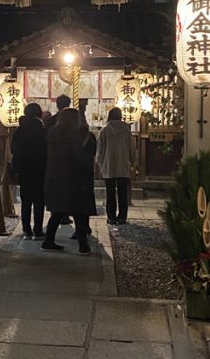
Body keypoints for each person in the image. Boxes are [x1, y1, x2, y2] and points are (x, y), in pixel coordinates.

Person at [42, 107, 94, 255]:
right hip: (72, 179)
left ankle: (48, 241)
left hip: (54, 178)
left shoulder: (52, 133)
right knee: (78, 212)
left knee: (57, 212)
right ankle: (83, 246)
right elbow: (79, 157)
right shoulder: (73, 135)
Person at [11, 103, 47, 240]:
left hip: (24, 170)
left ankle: (26, 229)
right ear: (39, 114)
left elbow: (13, 149)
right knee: (39, 201)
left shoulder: (19, 130)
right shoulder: (42, 130)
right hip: (39, 170)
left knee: (26, 201)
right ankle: (38, 230)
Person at [97, 107, 135, 224]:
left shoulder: (104, 130)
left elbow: (100, 149)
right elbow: (132, 148)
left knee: (110, 193)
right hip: (123, 165)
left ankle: (111, 217)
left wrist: (100, 163)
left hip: (109, 166)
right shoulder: (126, 130)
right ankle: (122, 217)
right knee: (123, 193)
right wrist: (132, 161)